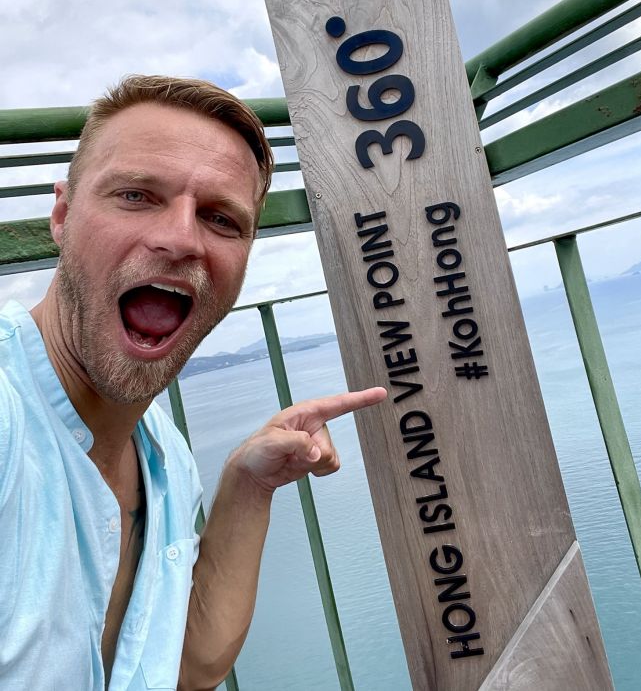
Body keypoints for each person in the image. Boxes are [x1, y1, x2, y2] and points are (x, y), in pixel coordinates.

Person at [0, 75, 386, 691]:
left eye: (221, 219)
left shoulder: (164, 456)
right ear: (63, 216)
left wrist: (249, 484)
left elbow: (186, 665)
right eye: (135, 195)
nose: (181, 239)